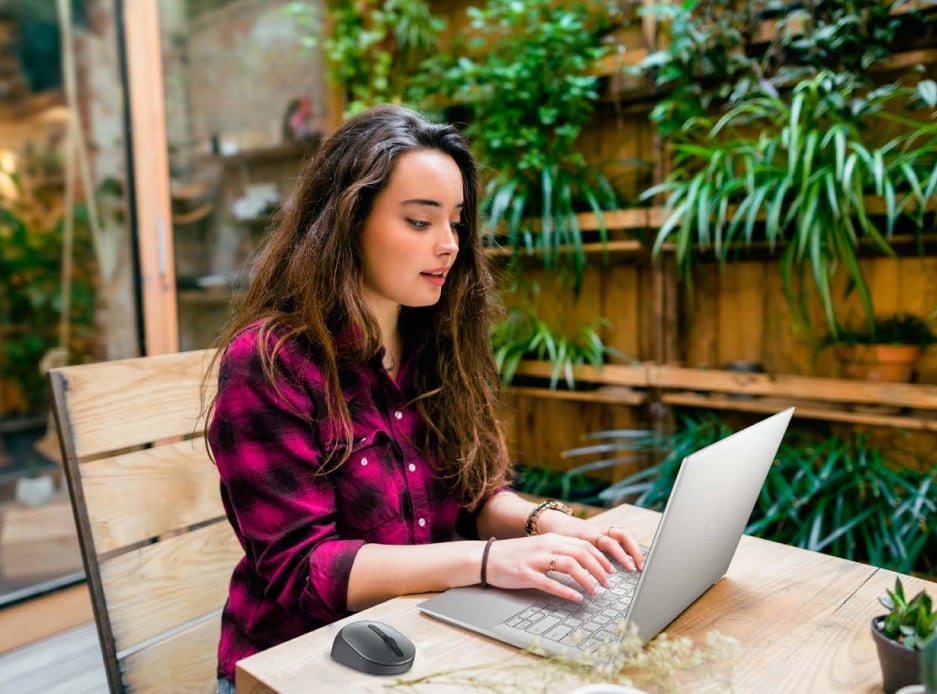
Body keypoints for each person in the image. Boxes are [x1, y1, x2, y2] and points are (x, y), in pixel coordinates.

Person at [206, 104, 645, 690]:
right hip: (300, 664)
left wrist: (549, 524)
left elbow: (472, 493)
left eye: (457, 222)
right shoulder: (272, 363)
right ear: (346, 222)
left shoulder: (432, 336)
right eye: (419, 222)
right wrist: (488, 562)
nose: (450, 246)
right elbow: (303, 569)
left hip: (425, 634)